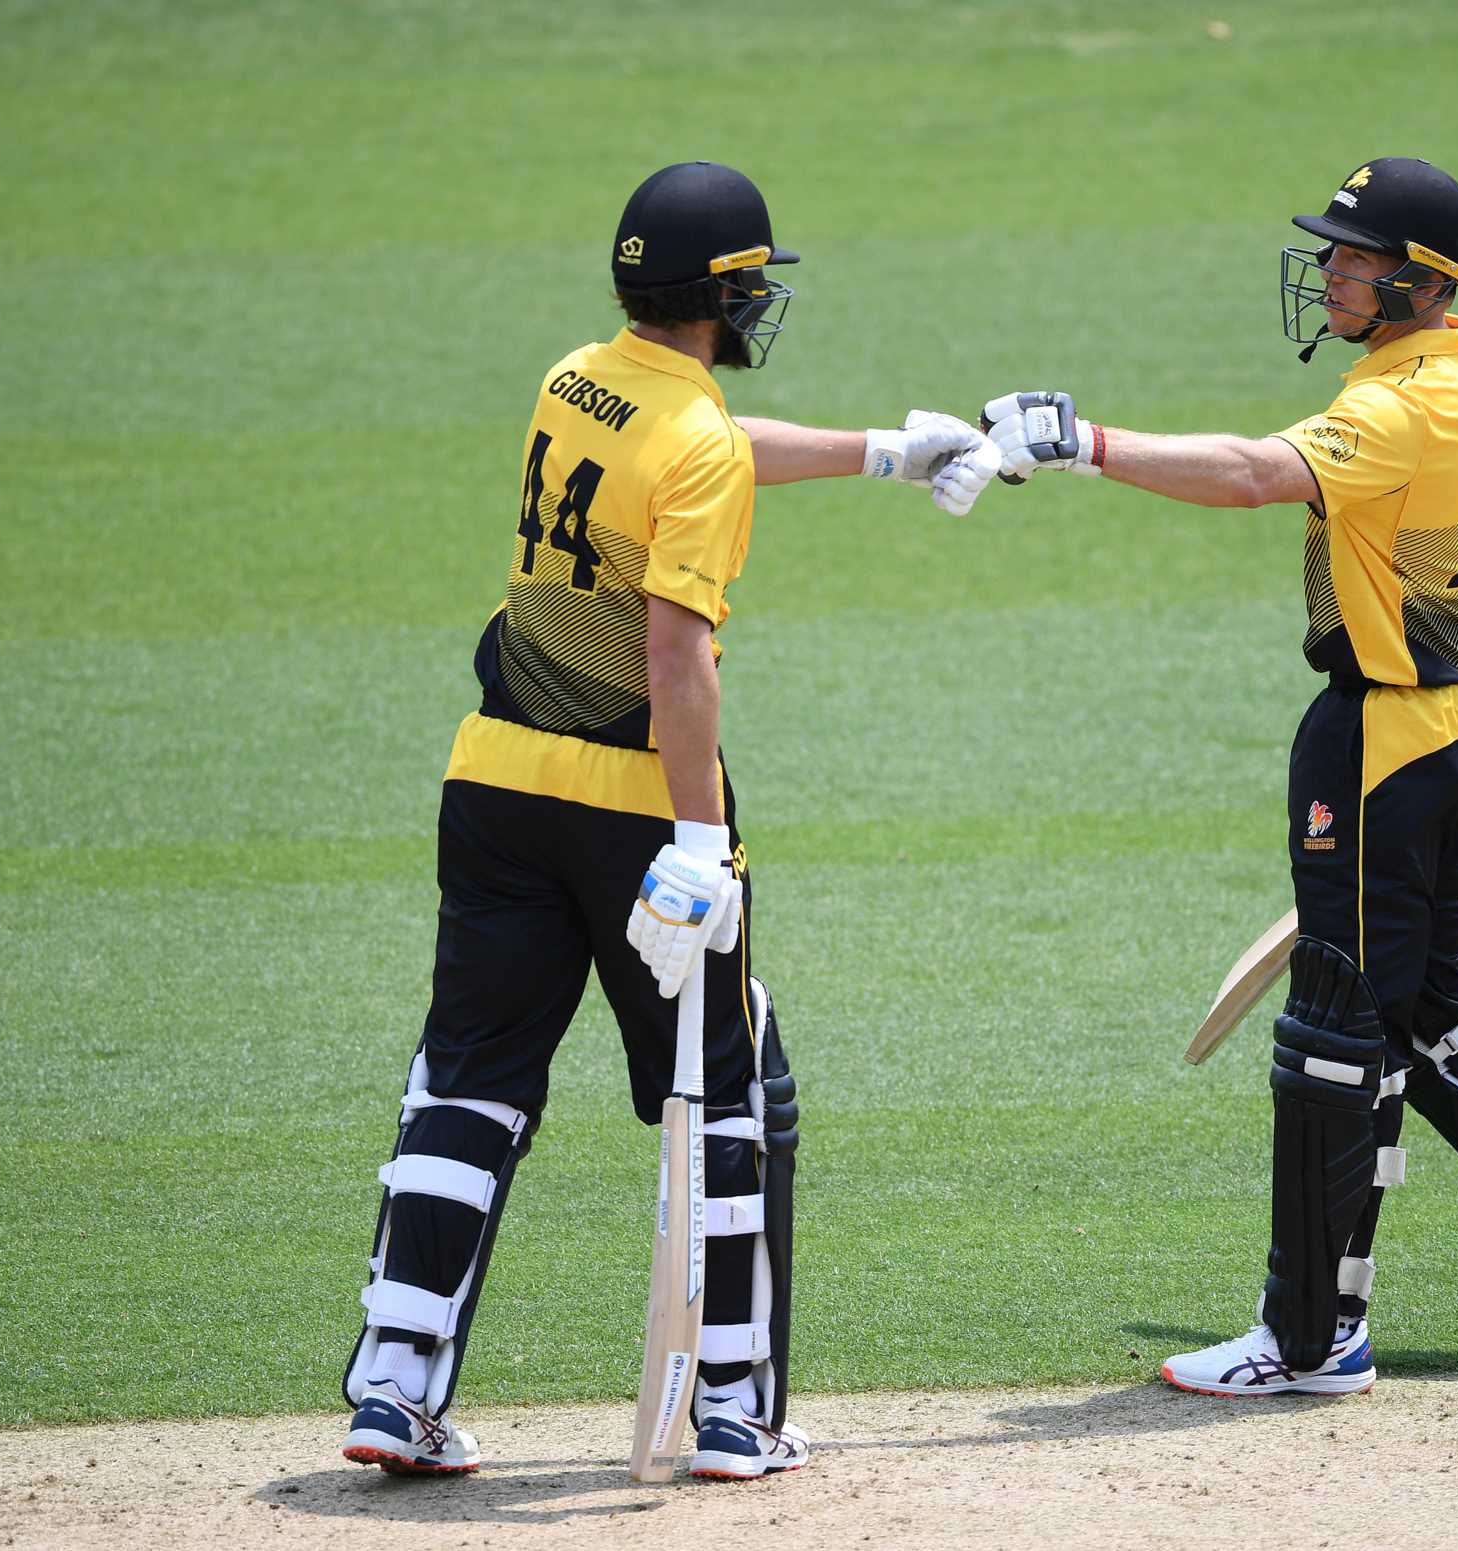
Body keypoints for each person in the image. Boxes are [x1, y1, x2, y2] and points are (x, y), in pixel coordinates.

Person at [979, 157, 1458, 1396]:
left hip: (1378, 744)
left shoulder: (1397, 407)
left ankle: (1311, 1338)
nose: (1326, 274)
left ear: (1417, 279)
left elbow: (1255, 475)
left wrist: (1082, 443)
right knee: (1426, 1007)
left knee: (1334, 1026)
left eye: (1350, 258)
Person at [338, 160, 1002, 1479]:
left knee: (467, 1075)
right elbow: (676, 655)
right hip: (634, 810)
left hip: (493, 782)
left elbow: (697, 451)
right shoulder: (695, 439)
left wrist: (885, 450)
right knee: (733, 1093)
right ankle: (732, 1409)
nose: (764, 298)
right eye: (756, 280)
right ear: (725, 292)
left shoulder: (575, 374)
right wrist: (699, 843)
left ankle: (391, 1382)